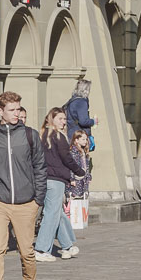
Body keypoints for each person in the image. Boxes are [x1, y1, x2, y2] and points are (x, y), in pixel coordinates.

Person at [0, 91, 47, 280]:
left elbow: (40, 167)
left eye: (18, 109)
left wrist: (38, 199)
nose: (17, 114)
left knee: (26, 250)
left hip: (26, 202)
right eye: (12, 110)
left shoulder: (30, 135)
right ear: (0, 111)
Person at [34, 108, 84, 261]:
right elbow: (66, 158)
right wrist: (79, 171)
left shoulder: (41, 136)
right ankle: (41, 249)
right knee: (51, 214)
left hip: (44, 178)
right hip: (55, 179)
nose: (63, 122)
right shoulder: (58, 136)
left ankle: (67, 245)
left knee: (57, 213)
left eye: (64, 119)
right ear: (52, 119)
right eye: (60, 119)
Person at [68, 130, 92, 230]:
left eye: (86, 139)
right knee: (74, 200)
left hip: (83, 180)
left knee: (81, 199)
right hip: (76, 180)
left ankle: (78, 220)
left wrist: (89, 177)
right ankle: (73, 221)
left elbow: (86, 166)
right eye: (83, 139)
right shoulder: (74, 152)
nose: (85, 141)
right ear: (76, 140)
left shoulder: (83, 151)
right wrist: (71, 179)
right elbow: (72, 167)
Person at [64, 79, 95, 148]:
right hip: (80, 136)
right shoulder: (82, 102)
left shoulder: (72, 100)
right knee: (80, 156)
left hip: (71, 133)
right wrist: (93, 121)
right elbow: (83, 121)